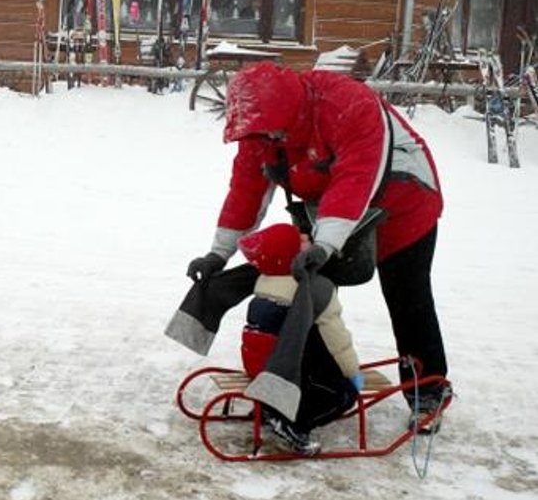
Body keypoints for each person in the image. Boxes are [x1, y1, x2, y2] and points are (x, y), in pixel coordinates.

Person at [185, 61, 449, 428]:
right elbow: (246, 190)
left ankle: (428, 392)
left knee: (408, 299)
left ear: (289, 113)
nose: (270, 142)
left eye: (275, 134)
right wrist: (219, 252)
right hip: (330, 211)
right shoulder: (260, 128)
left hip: (405, 204)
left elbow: (354, 180)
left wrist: (324, 244)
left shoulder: (347, 105)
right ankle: (310, 379)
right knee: (310, 293)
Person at [236, 223, 362, 455]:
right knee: (342, 395)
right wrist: (351, 373)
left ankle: (271, 409)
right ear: (291, 256)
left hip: (263, 371)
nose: (310, 241)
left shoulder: (263, 282)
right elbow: (337, 339)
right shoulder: (317, 289)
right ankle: (295, 425)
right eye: (303, 242)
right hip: (298, 375)